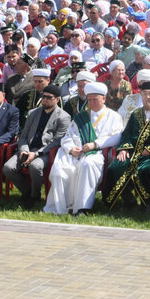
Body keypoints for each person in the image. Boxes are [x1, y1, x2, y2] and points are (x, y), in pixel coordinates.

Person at [44, 80, 122, 215]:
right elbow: (68, 136)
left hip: (97, 153)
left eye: (95, 100)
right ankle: (62, 207)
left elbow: (116, 137)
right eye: (89, 100)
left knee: (87, 165)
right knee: (60, 170)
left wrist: (95, 144)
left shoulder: (114, 117)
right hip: (76, 153)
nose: (91, 103)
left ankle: (82, 207)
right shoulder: (81, 116)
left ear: (103, 99)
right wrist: (70, 149)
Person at [103, 77, 150, 209]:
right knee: (114, 168)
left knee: (144, 170)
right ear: (141, 95)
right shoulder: (135, 114)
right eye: (145, 93)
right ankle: (129, 200)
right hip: (131, 152)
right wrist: (123, 149)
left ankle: (146, 203)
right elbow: (126, 133)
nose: (148, 97)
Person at [3, 83, 71, 204]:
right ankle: (28, 191)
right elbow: (23, 135)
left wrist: (35, 154)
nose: (44, 99)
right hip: (28, 148)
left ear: (57, 99)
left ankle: (35, 196)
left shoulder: (64, 117)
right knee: (8, 168)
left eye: (49, 97)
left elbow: (57, 141)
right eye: (43, 96)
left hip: (46, 152)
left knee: (35, 166)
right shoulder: (33, 113)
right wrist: (24, 150)